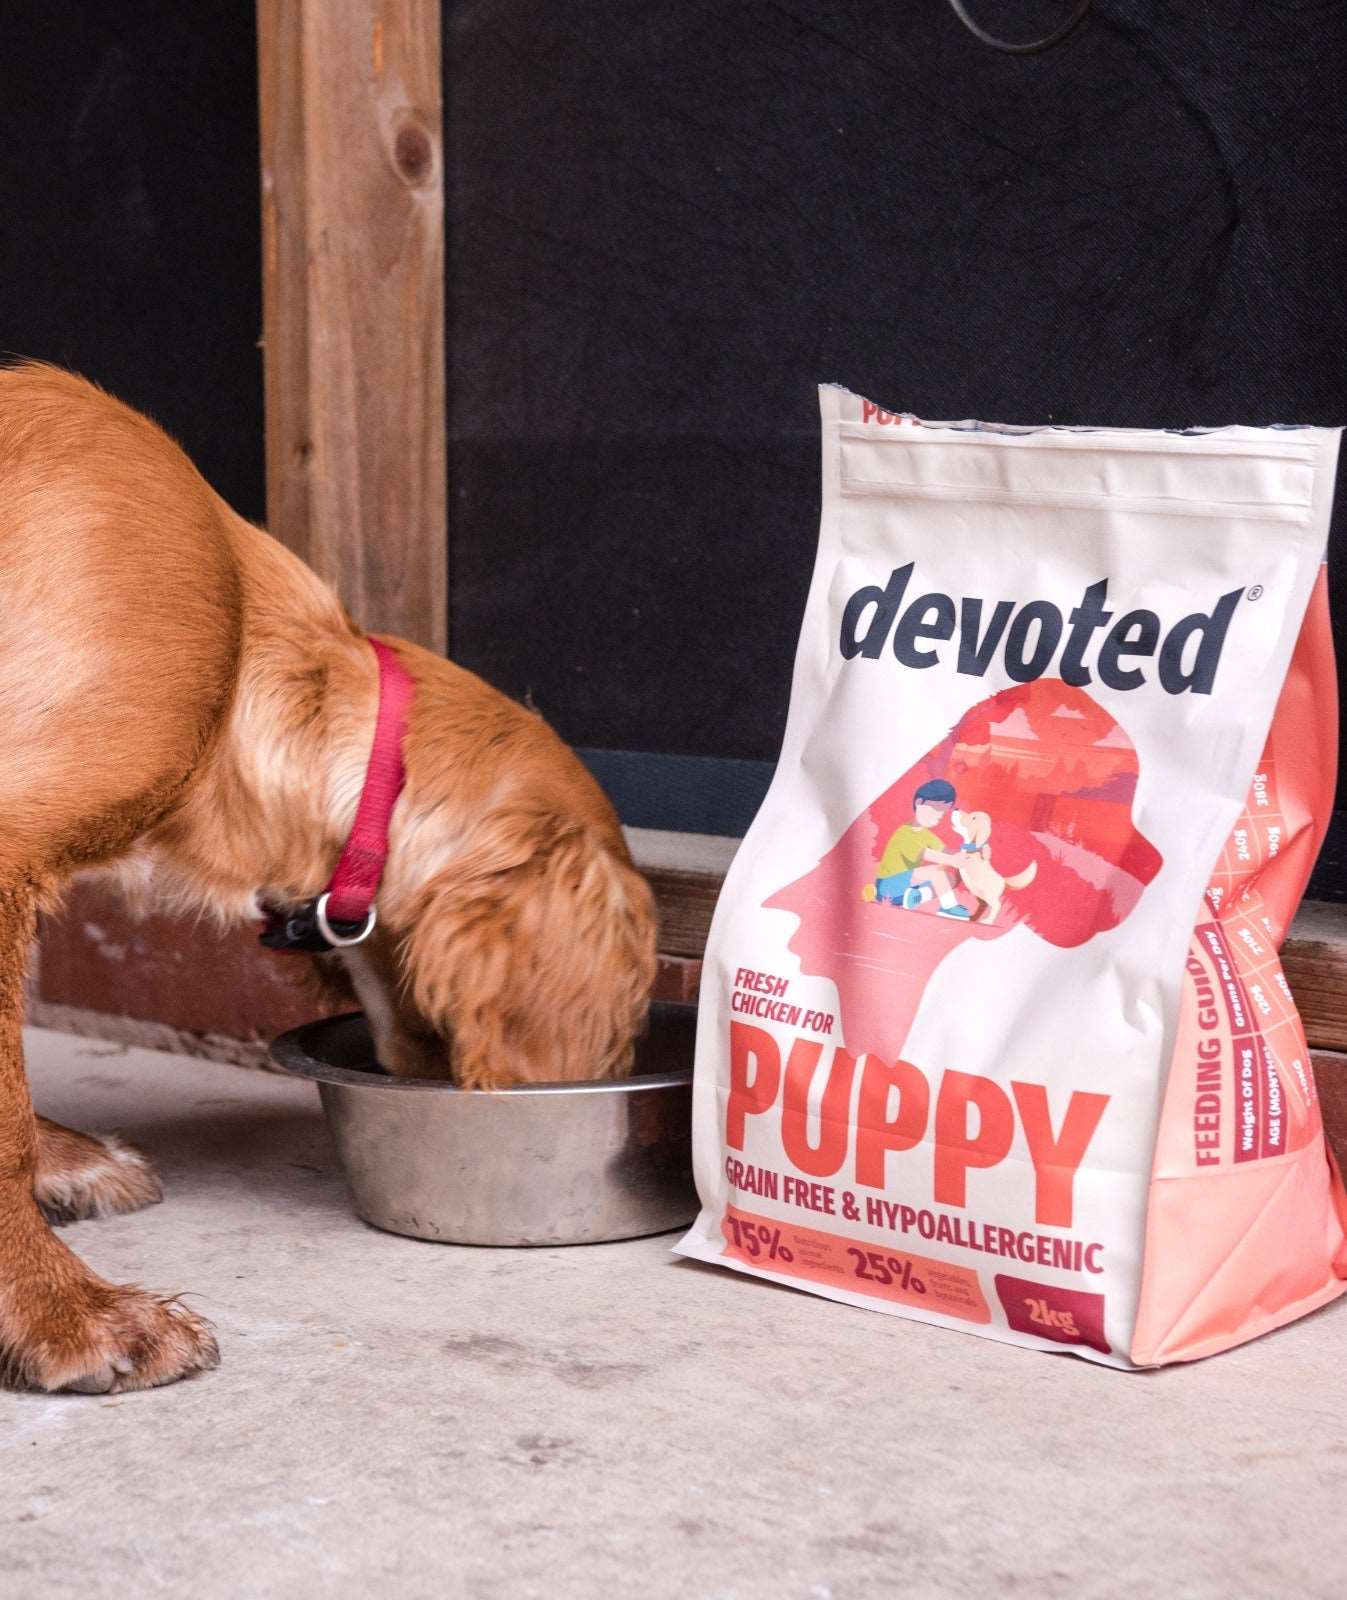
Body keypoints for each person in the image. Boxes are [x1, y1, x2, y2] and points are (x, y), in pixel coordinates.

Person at [863, 778, 971, 920]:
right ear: (919, 802)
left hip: (904, 888)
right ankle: (948, 907)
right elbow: (928, 854)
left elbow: (945, 851)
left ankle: (917, 896)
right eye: (936, 808)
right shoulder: (906, 833)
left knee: (949, 878)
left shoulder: (926, 835)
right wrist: (952, 860)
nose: (939, 815)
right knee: (937, 872)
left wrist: (967, 853)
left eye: (943, 812)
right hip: (889, 885)